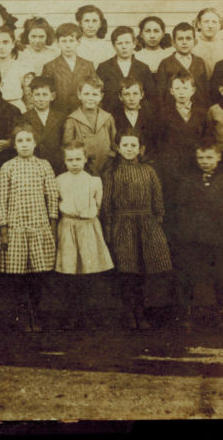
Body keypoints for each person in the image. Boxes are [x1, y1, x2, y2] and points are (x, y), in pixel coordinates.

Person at [0, 124, 61, 333]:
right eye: (20, 141)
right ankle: (22, 312)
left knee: (38, 275)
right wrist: (3, 228)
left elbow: (52, 196)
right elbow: (1, 199)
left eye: (28, 140)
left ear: (35, 143)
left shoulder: (44, 165)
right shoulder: (8, 167)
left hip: (39, 227)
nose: (24, 145)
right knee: (18, 274)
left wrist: (53, 225)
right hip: (16, 228)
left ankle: (35, 313)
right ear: (14, 144)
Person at [100, 129, 172, 330]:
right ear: (118, 148)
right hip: (122, 226)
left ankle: (141, 311)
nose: (129, 149)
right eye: (125, 145)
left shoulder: (148, 171)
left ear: (140, 149)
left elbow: (157, 199)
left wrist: (155, 220)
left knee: (143, 272)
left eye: (133, 146)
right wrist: (109, 228)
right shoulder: (111, 172)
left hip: (146, 225)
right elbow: (106, 204)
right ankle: (129, 312)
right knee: (127, 271)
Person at [167, 142, 223, 330]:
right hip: (192, 238)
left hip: (217, 239)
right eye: (201, 158)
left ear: (218, 158)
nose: (204, 162)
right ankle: (187, 313)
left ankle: (220, 311)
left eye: (209, 157)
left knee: (219, 276)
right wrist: (186, 232)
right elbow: (179, 209)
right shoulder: (188, 181)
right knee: (187, 275)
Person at [54, 141, 114, 330]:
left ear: (85, 159)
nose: (74, 163)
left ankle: (88, 314)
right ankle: (72, 314)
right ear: (64, 161)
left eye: (78, 159)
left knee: (89, 273)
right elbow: (57, 203)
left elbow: (98, 203)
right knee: (70, 272)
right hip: (68, 228)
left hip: (88, 228)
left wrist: (88, 214)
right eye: (70, 159)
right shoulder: (59, 180)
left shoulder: (93, 181)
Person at [156, 72, 210, 219]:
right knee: (173, 204)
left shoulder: (202, 114)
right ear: (171, 91)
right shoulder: (164, 114)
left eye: (185, 88)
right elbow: (158, 143)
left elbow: (207, 141)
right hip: (172, 168)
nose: (181, 92)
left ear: (193, 91)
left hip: (195, 166)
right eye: (177, 89)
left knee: (195, 204)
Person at [62, 75, 116, 176]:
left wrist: (111, 159)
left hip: (107, 168)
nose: (90, 98)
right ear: (79, 95)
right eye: (86, 94)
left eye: (95, 94)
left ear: (101, 96)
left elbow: (114, 144)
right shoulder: (72, 120)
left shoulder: (108, 118)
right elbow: (68, 148)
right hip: (83, 171)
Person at [96, 25, 158, 111]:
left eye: (127, 43)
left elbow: (151, 97)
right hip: (111, 115)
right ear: (114, 45)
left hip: (136, 116)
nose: (124, 47)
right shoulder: (104, 67)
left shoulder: (143, 68)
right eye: (120, 43)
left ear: (134, 44)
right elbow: (98, 95)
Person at [41, 22, 96, 115]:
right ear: (57, 43)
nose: (68, 45)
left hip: (83, 113)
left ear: (78, 42)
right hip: (58, 113)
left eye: (71, 40)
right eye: (64, 41)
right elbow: (46, 93)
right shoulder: (50, 67)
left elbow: (95, 90)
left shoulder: (88, 65)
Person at [155, 22, 210, 108]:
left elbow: (205, 90)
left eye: (188, 38)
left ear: (195, 42)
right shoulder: (166, 63)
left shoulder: (200, 62)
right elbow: (160, 93)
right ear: (173, 43)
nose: (184, 42)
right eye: (180, 39)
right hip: (172, 112)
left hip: (198, 111)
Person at [23, 76, 66, 174]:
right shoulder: (23, 118)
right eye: (37, 94)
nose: (41, 99)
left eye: (45, 94)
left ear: (52, 96)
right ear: (31, 96)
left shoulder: (61, 118)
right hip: (32, 167)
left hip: (56, 166)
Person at [110, 78, 159, 162]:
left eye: (135, 94)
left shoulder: (151, 115)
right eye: (127, 94)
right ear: (120, 97)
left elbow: (154, 141)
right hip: (121, 162)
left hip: (147, 161)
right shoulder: (113, 115)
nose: (131, 98)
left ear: (142, 95)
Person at [193, 7, 223, 78]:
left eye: (214, 22)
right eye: (206, 22)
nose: (210, 26)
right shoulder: (192, 46)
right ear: (199, 24)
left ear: (219, 25)